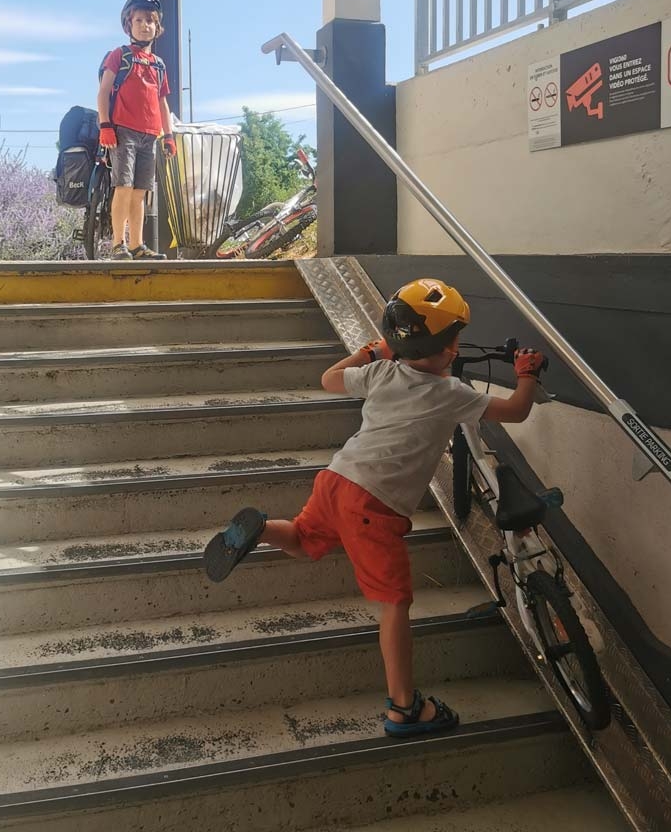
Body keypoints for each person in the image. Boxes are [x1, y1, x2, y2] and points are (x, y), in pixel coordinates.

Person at [202, 278, 546, 738]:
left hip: (336, 479)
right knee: (394, 606)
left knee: (304, 541)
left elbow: (327, 379)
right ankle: (404, 709)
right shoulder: (453, 395)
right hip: (374, 505)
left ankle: (261, 528)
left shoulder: (382, 372)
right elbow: (517, 411)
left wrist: (370, 352)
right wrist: (527, 372)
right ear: (448, 350)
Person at [97, 0, 177, 260]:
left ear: (157, 27)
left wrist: (169, 136)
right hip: (123, 132)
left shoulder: (158, 65)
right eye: (139, 20)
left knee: (141, 191)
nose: (145, 26)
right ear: (128, 25)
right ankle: (118, 243)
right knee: (124, 187)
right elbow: (103, 92)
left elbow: (162, 102)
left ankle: (137, 245)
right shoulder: (119, 56)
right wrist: (105, 125)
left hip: (150, 135)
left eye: (150, 21)